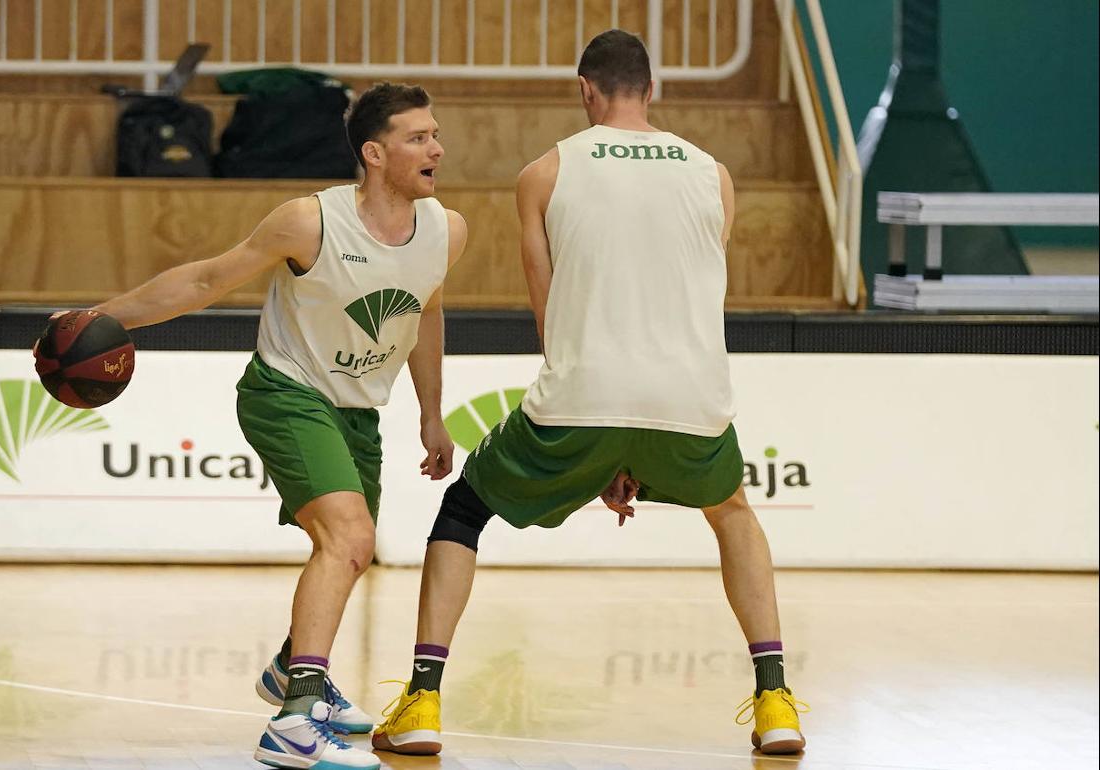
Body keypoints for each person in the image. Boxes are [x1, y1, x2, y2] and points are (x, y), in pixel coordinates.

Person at [372, 30, 808, 757]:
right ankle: (775, 701)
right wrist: (629, 443)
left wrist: (601, 441)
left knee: (464, 509)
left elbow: (551, 314)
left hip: (581, 394)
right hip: (690, 398)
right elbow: (692, 295)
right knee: (732, 512)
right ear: (651, 89)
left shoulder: (543, 174)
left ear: (586, 90)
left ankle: (421, 701)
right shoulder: (714, 175)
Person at [86, 83, 466, 770]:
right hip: (286, 392)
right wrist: (100, 318)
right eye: (418, 137)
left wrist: (432, 414)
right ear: (375, 154)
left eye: (435, 134)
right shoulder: (309, 221)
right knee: (349, 538)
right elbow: (204, 281)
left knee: (352, 550)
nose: (436, 148)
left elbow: (426, 313)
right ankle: (295, 719)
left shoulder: (446, 230)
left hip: (357, 410)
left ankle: (293, 667)